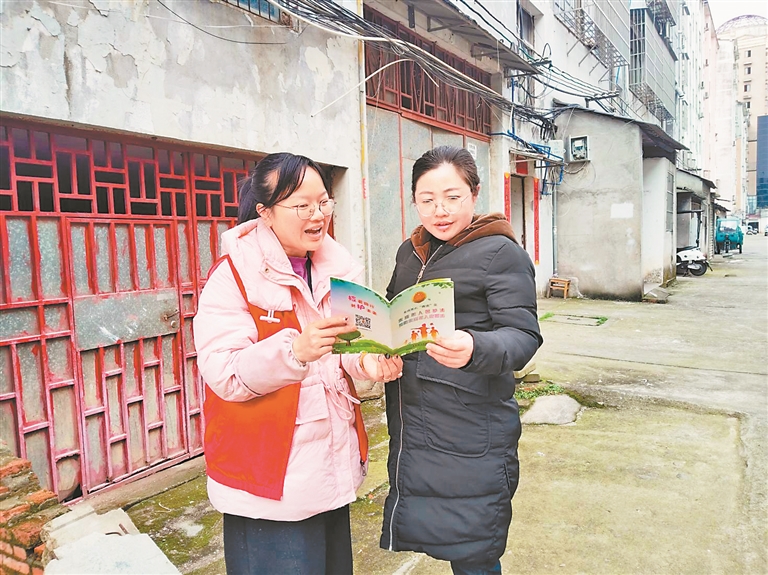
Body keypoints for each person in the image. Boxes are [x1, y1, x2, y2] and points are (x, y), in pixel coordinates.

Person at [193, 152, 403, 575]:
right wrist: (294, 352)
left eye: (323, 202)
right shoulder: (233, 276)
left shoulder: (334, 268)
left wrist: (369, 361)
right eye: (302, 205)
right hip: (269, 476)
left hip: (328, 465)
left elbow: (345, 348)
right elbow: (224, 373)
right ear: (265, 211)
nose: (317, 215)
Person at [380, 146, 542, 575]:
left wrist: (475, 347)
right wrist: (377, 349)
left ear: (474, 193)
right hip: (417, 422)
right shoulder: (410, 251)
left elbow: (523, 336)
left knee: (473, 549)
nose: (440, 210)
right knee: (441, 529)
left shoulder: (500, 253)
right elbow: (395, 314)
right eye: (427, 199)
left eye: (452, 197)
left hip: (471, 427)